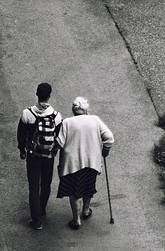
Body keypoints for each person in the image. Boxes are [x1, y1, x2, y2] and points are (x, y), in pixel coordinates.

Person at [56, 97, 114, 230]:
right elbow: (109, 138)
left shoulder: (67, 122)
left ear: (73, 110)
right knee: (88, 186)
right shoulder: (95, 120)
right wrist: (105, 151)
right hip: (92, 161)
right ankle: (86, 211)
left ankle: (76, 220)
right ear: (87, 109)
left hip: (73, 164)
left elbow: (59, 143)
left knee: (74, 192)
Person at [17, 83, 63, 230]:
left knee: (33, 187)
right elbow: (59, 136)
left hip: (33, 154)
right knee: (46, 184)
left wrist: (22, 149)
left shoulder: (28, 114)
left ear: (37, 94)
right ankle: (41, 209)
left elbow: (21, 135)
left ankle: (36, 220)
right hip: (48, 155)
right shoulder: (56, 116)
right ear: (50, 96)